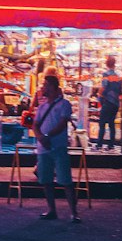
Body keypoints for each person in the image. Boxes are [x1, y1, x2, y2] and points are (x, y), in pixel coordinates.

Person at [34, 71, 80, 224]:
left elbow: (62, 124)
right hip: (44, 147)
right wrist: (40, 137)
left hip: (58, 146)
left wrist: (46, 137)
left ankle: (74, 212)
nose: (43, 88)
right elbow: (35, 124)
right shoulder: (42, 107)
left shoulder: (64, 104)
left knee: (65, 180)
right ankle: (51, 209)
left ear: (53, 87)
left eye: (45, 85)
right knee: (46, 180)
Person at [97, 55, 122, 149]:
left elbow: (104, 87)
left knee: (102, 123)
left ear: (107, 64)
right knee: (112, 124)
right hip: (115, 103)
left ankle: (99, 144)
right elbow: (121, 91)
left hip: (107, 102)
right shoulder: (118, 77)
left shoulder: (106, 75)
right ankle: (111, 144)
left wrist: (99, 97)